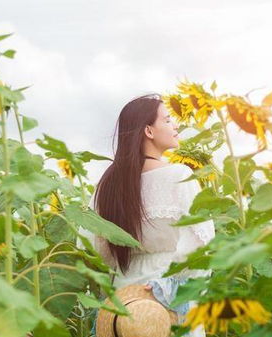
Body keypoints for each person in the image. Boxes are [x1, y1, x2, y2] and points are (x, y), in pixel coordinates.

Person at [76, 93, 215, 337]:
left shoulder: (107, 185)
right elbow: (201, 243)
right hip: (168, 291)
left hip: (126, 297)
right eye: (168, 119)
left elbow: (89, 244)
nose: (176, 125)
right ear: (148, 131)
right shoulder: (179, 175)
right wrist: (170, 282)